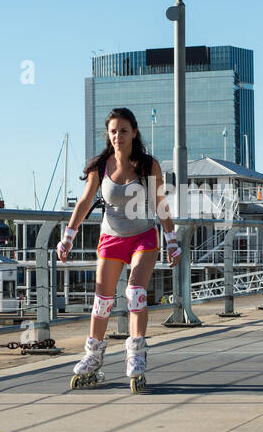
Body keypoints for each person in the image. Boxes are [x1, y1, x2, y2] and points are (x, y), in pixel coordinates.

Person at [57, 107, 180, 390]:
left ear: (134, 132)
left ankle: (136, 354)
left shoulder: (149, 165)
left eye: (123, 130)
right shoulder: (102, 166)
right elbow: (85, 202)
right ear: (108, 134)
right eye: (113, 131)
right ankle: (93, 356)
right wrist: (68, 237)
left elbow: (160, 204)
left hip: (143, 236)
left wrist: (171, 240)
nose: (118, 136)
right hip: (111, 238)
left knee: (135, 293)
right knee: (102, 301)